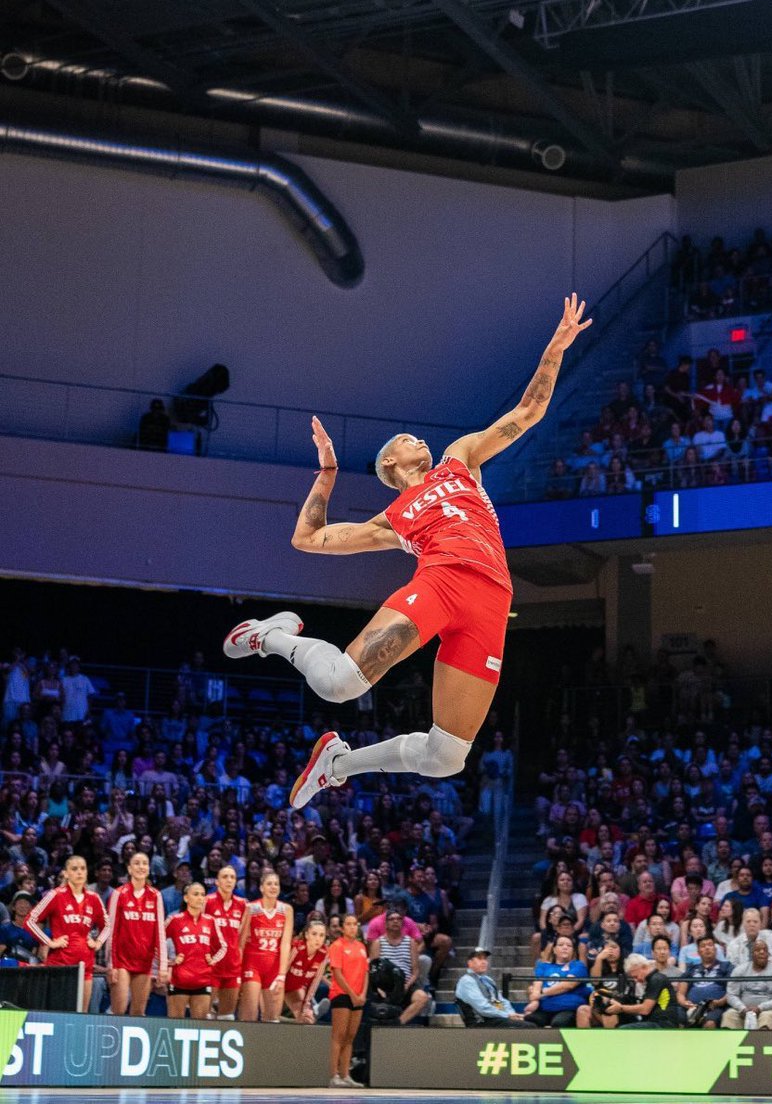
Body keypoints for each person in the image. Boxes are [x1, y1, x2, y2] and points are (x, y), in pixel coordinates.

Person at [223, 296, 592, 805]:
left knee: (447, 758)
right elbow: (307, 538)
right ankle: (274, 636)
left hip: (491, 603)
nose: (417, 437)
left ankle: (340, 764)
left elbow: (528, 413)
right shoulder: (393, 518)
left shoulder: (458, 458)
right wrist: (328, 475)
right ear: (390, 463)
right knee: (338, 684)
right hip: (443, 583)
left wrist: (555, 349)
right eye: (405, 438)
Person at [26, 854, 109, 1011]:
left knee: (81, 1014)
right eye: (74, 869)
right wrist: (49, 941)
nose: (79, 872)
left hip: (86, 965)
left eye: (82, 869)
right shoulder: (55, 895)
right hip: (60, 965)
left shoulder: (94, 898)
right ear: (66, 873)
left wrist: (98, 942)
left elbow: (108, 925)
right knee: (58, 1012)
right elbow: (30, 921)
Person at [105, 850, 168, 1016]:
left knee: (139, 1013)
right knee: (118, 1010)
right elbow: (111, 931)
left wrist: (162, 967)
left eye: (145, 863)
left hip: (145, 961)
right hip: (122, 961)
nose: (141, 867)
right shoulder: (119, 894)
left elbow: (160, 933)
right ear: (129, 868)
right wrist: (111, 964)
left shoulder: (156, 895)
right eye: (137, 863)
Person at [165, 881, 227, 1020]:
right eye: (196, 894)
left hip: (202, 980)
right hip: (179, 980)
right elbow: (156, 942)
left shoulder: (211, 921)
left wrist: (213, 960)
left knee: (199, 1027)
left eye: (203, 895)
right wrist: (169, 962)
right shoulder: (174, 920)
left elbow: (223, 946)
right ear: (186, 898)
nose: (200, 897)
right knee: (175, 1027)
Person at [238, 871, 293, 1022]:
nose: (273, 887)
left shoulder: (286, 910)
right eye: (269, 884)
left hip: (274, 966)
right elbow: (241, 942)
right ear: (261, 888)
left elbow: (286, 943)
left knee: (272, 1017)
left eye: (276, 884)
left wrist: (282, 975)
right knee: (249, 1014)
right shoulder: (251, 908)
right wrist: (237, 969)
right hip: (252, 964)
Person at [368, 907, 430, 1025]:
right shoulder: (378, 943)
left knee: (422, 998)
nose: (395, 921)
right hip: (384, 987)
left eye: (398, 919)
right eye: (391, 919)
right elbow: (373, 970)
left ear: (402, 922)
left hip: (406, 984)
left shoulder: (410, 942)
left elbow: (415, 971)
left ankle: (397, 1023)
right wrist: (379, 989)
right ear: (386, 924)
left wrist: (406, 986)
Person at [328, 913, 368, 1087]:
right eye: (349, 924)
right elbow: (337, 973)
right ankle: (333, 1075)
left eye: (355, 924)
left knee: (350, 1037)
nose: (352, 927)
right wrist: (352, 994)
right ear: (342, 928)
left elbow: (366, 972)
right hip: (342, 994)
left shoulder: (361, 946)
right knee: (339, 1035)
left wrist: (363, 994)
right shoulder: (337, 946)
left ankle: (345, 1074)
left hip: (358, 996)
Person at [205, 864, 246, 1020]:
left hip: (233, 966)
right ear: (217, 882)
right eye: (225, 877)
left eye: (232, 877)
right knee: (205, 1015)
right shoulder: (207, 902)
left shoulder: (243, 905)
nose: (229, 880)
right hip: (211, 966)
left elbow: (242, 938)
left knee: (227, 1017)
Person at [455, 946, 532, 1028]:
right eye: (479, 959)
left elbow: (499, 1001)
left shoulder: (488, 980)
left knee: (532, 1021)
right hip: (480, 1023)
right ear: (469, 963)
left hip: (495, 1020)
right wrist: (507, 1015)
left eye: (485, 959)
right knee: (527, 1027)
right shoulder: (467, 981)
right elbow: (483, 1008)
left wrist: (511, 1014)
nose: (484, 962)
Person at [524, 934, 590, 1028]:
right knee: (530, 1020)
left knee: (559, 1023)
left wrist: (542, 993)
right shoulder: (544, 966)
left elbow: (568, 985)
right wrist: (534, 1001)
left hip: (568, 1008)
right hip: (544, 1008)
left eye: (569, 946)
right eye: (561, 945)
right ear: (554, 950)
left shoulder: (578, 966)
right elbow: (537, 984)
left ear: (573, 951)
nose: (565, 947)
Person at [601, 952, 680, 1028]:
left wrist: (621, 1008)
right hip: (653, 1022)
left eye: (636, 976)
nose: (636, 980)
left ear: (644, 967)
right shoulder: (651, 981)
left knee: (624, 1030)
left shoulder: (656, 979)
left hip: (663, 1024)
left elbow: (645, 1010)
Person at [721, 939, 772, 1030]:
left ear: (768, 954)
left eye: (765, 950)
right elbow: (731, 995)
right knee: (729, 1015)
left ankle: (759, 1044)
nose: (762, 952)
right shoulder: (739, 970)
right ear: (751, 954)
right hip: (743, 1010)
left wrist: (760, 1008)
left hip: (768, 1010)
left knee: (767, 1018)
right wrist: (742, 1008)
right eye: (758, 950)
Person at [676, 934, 732, 1028]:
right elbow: (680, 993)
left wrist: (719, 1002)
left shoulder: (726, 966)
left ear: (715, 949)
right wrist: (684, 1003)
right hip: (691, 1007)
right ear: (698, 952)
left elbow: (732, 990)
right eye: (703, 946)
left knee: (709, 1023)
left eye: (710, 945)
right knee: (677, 1017)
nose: (707, 948)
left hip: (715, 1006)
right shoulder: (691, 969)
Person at [284, 917, 329, 1022]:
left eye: (321, 935)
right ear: (306, 935)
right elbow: (282, 972)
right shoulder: (297, 948)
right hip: (279, 985)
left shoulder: (324, 953)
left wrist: (307, 1004)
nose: (318, 938)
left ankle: (312, 1010)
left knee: (306, 1019)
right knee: (270, 1015)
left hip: (295, 988)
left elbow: (315, 982)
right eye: (314, 934)